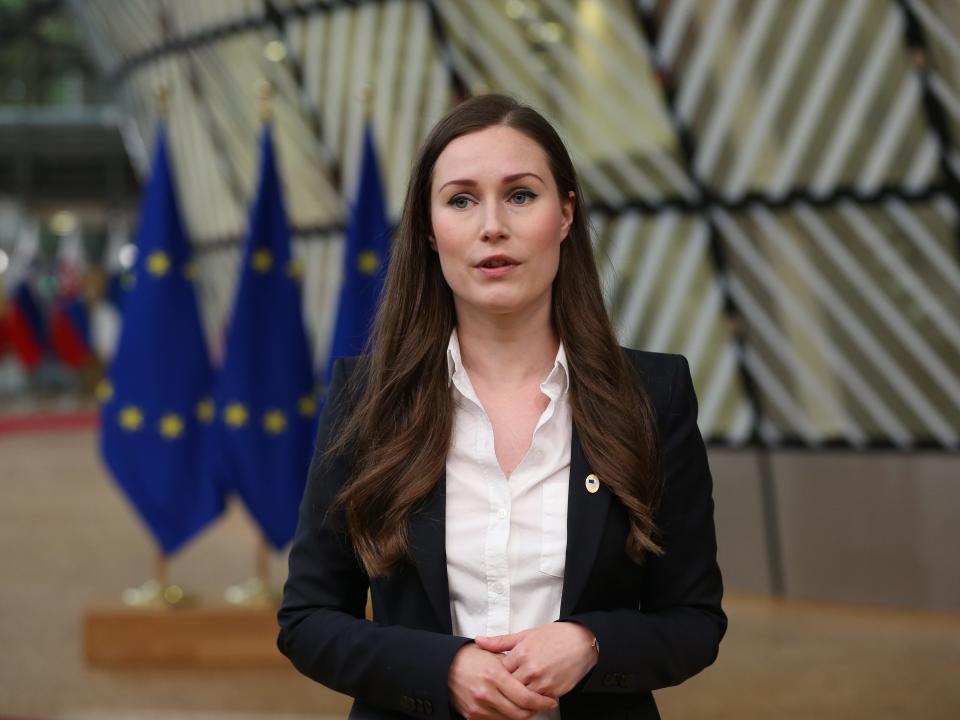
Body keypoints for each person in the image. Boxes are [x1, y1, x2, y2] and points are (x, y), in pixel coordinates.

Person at [277, 94, 725, 720]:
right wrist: (445, 669)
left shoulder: (652, 395)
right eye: (461, 199)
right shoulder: (369, 400)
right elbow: (308, 619)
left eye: (521, 195)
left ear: (565, 214)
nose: (493, 225)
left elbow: (695, 620)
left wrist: (591, 644)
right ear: (430, 231)